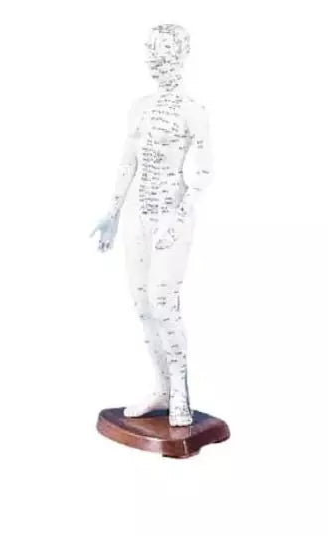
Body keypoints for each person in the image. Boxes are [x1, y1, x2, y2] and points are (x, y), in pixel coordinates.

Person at [91, 24, 212, 426]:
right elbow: (128, 162)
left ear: (180, 56)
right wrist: (112, 213)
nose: (157, 61)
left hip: (170, 219)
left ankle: (180, 392)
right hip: (136, 218)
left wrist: (178, 213)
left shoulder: (193, 111)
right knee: (142, 304)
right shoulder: (139, 107)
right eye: (152, 53)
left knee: (164, 303)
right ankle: (161, 386)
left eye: (165, 53)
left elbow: (204, 172)